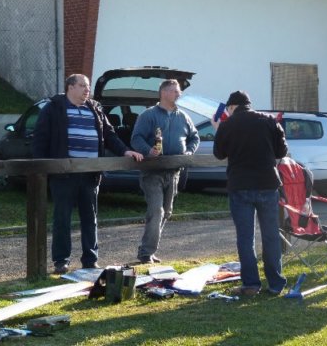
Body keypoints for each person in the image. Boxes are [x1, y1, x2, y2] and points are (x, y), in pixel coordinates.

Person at [33, 74, 143, 274]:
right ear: (70, 87)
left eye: (88, 86)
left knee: (90, 218)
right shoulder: (53, 108)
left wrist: (125, 151)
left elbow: (109, 134)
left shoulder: (95, 108)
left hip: (90, 174)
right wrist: (43, 168)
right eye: (82, 85)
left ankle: (90, 260)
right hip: (64, 174)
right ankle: (61, 261)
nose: (87, 90)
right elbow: (40, 139)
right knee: (62, 218)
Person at [212, 91, 289, 296]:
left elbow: (219, 154)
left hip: (240, 185)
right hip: (267, 184)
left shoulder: (227, 124)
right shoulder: (269, 120)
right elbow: (281, 151)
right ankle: (275, 283)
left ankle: (251, 284)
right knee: (271, 235)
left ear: (232, 107)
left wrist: (218, 129)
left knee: (245, 238)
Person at [131, 79, 200, 264]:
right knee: (157, 211)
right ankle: (146, 253)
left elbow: (195, 137)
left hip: (174, 172)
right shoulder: (148, 115)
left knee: (166, 212)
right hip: (152, 173)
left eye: (179, 91)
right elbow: (136, 138)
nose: (179, 94)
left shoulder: (183, 117)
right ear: (163, 92)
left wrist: (189, 152)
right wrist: (148, 150)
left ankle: (148, 250)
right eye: (175, 91)